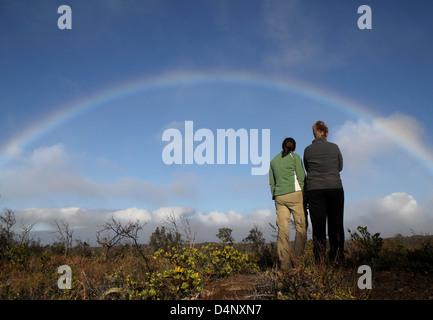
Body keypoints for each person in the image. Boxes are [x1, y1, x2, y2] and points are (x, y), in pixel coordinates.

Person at [303, 121, 345, 264]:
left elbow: (307, 168)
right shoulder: (334, 147)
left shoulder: (307, 150)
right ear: (326, 133)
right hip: (334, 187)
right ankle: (337, 257)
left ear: (314, 134)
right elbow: (340, 167)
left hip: (314, 189)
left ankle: (319, 260)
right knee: (336, 224)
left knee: (318, 226)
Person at [269, 137, 307, 270]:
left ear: (282, 146)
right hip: (295, 195)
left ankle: (285, 265)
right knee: (301, 228)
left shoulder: (273, 161)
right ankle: (298, 262)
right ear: (295, 148)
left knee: (283, 231)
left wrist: (275, 195)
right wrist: (304, 195)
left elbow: (271, 182)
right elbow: (301, 177)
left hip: (279, 197)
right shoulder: (295, 157)